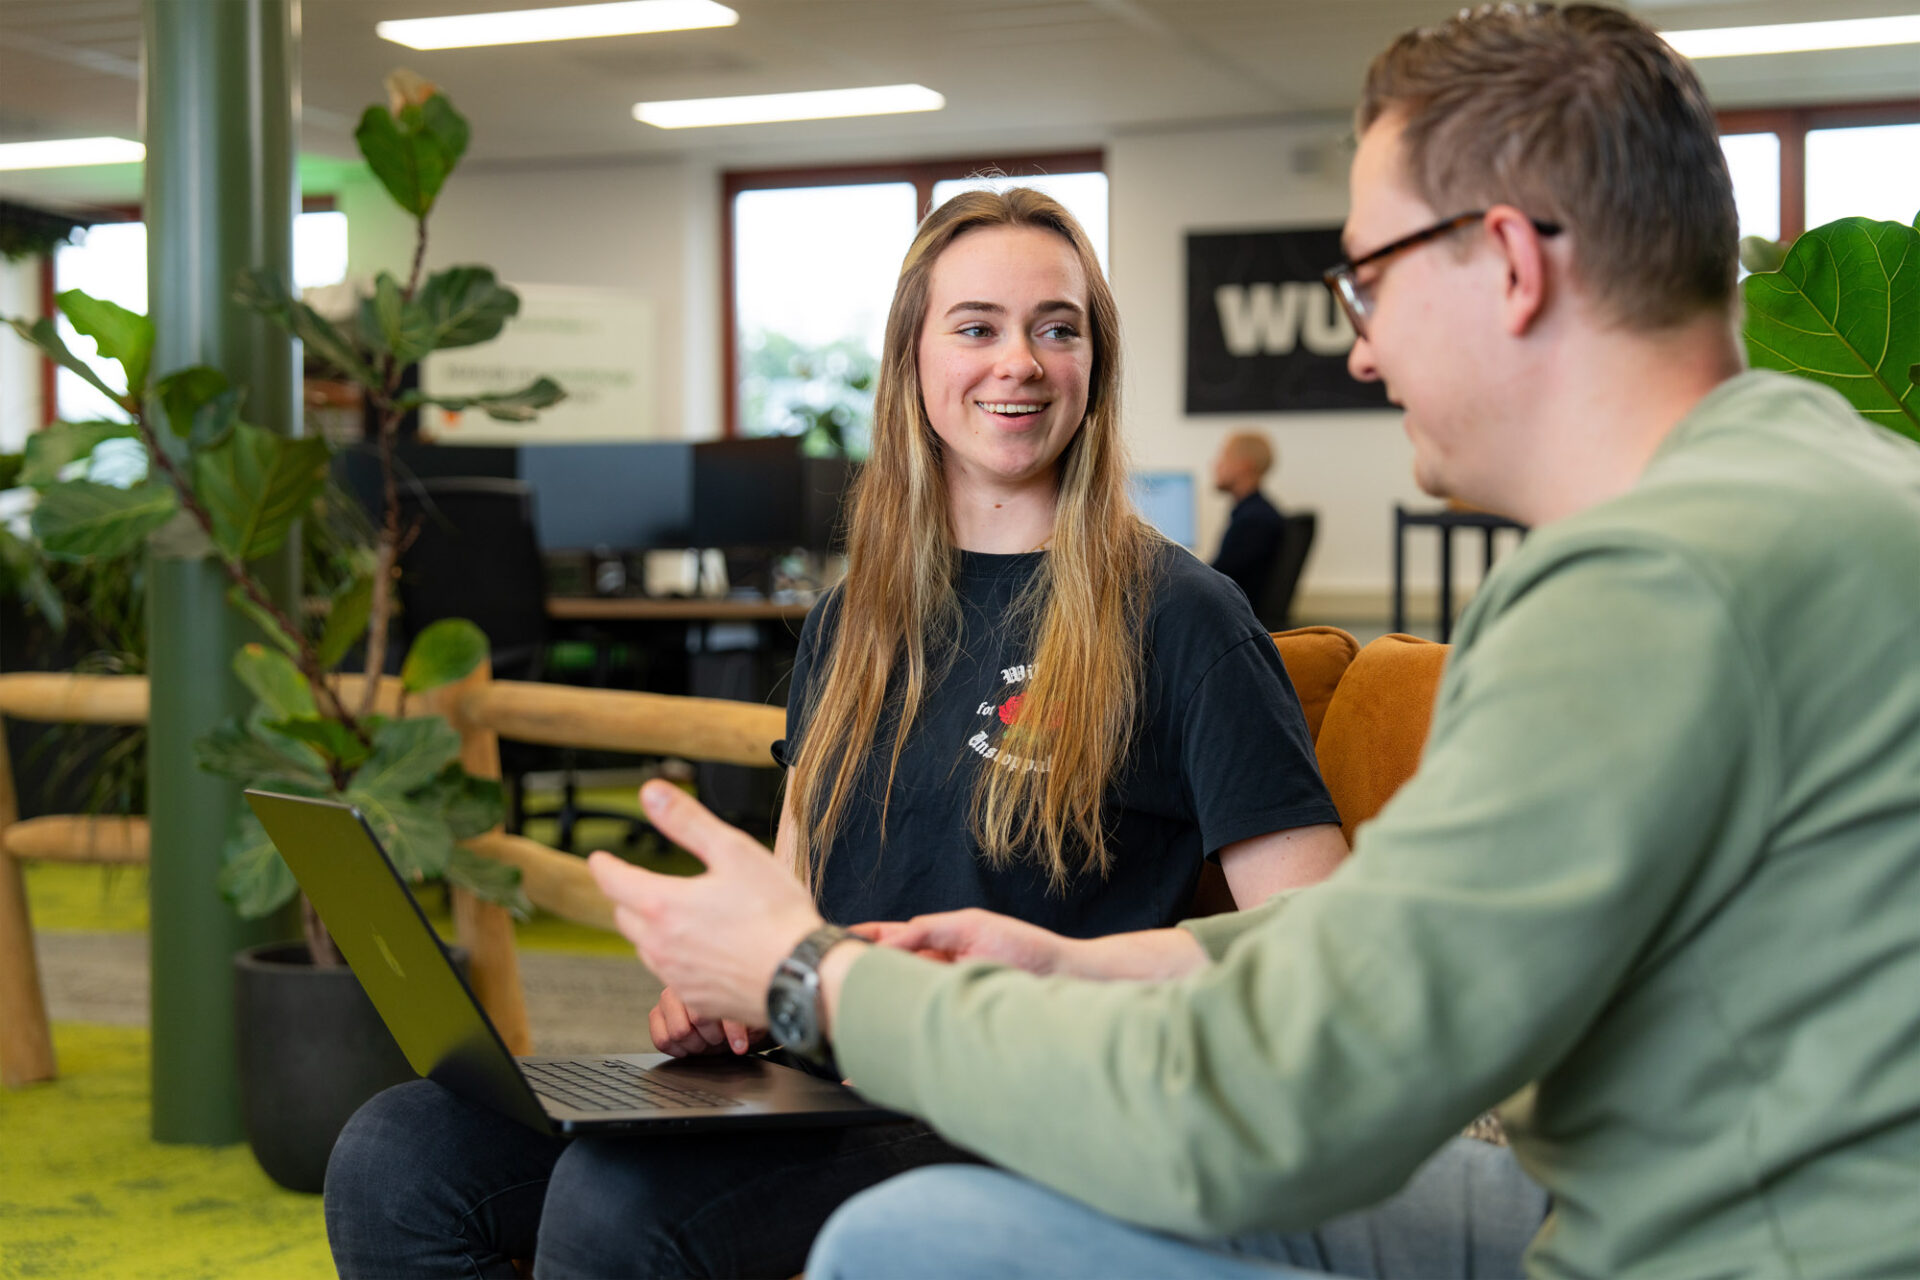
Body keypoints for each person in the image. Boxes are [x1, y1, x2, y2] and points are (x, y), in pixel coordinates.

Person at [589, 6, 1920, 1278]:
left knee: (917, 1243)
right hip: (1653, 1184)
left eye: (1371, 279)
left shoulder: (1646, 586)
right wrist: (1086, 961)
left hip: (1703, 1248)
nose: (1361, 350)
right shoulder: (1816, 486)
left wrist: (813, 983)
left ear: (1511, 262)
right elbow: (1403, 945)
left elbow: (1290, 1099)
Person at [323, 187, 1349, 1279]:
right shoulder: (853, 620)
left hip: (1019, 1102)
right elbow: (795, 898)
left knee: (626, 1203)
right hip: (818, 1072)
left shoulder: (1182, 615)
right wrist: (729, 986)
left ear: (1096, 363)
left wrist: (1060, 975)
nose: (1022, 361)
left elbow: (1323, 940)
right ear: (912, 358)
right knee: (400, 1150)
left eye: (1059, 327)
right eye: (977, 326)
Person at [1209, 430, 1285, 604]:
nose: (1216, 465)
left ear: (1244, 466)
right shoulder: (1256, 512)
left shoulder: (1254, 520)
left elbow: (1216, 579)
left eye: (1224, 457)